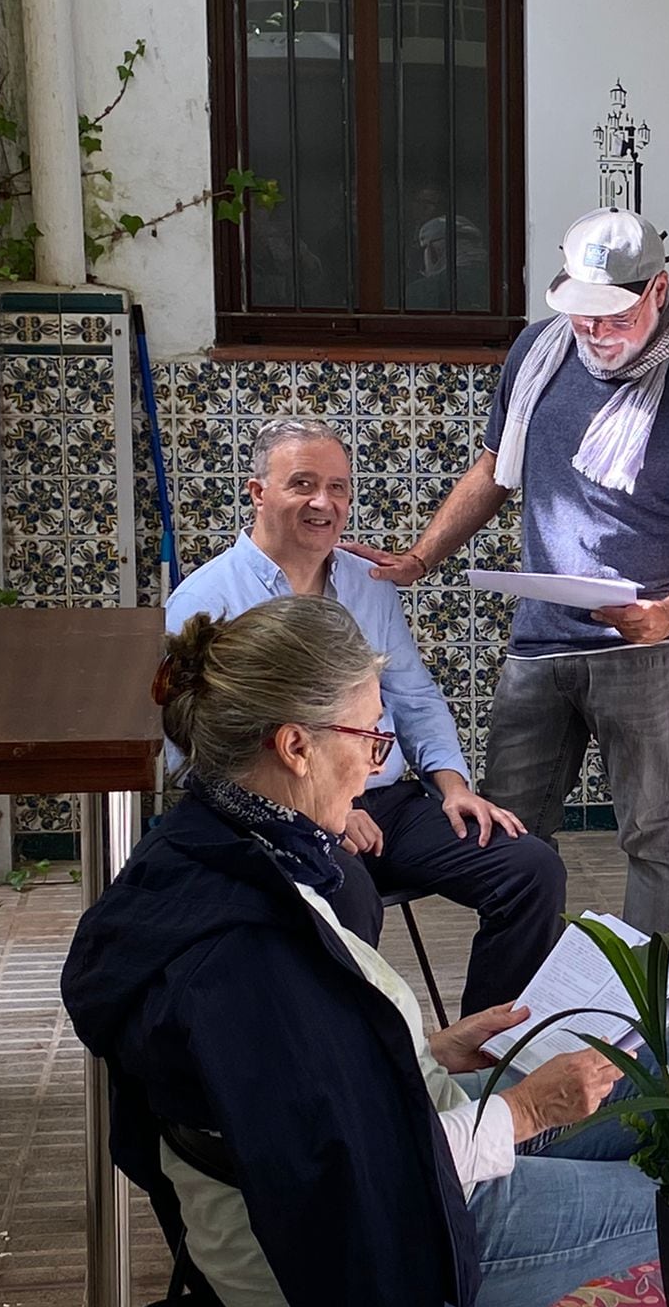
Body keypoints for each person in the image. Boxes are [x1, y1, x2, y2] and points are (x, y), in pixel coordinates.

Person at [63, 596, 656, 1307]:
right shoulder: (250, 952)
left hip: (324, 1199)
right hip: (332, 1270)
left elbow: (302, 1094)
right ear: (295, 743)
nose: (379, 766)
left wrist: (425, 1048)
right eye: (371, 741)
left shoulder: (214, 850)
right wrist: (528, 1112)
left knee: (650, 1098)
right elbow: (352, 1177)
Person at [352, 208, 669, 940]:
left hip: (644, 645)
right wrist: (420, 558)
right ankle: (520, 1010)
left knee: (652, 838)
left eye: (612, 319)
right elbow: (493, 473)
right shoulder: (539, 352)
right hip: (540, 640)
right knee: (509, 835)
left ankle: (651, 1021)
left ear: (658, 292)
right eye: (582, 317)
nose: (595, 336)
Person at [165, 418, 565, 1016]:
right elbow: (192, 756)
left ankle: (488, 1062)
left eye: (339, 487)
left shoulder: (367, 584)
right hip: (278, 819)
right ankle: (358, 1078)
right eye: (302, 483)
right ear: (257, 492)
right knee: (346, 894)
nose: (323, 502)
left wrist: (453, 786)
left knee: (529, 866)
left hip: (385, 801)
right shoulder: (205, 599)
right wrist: (316, 811)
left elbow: (413, 695)